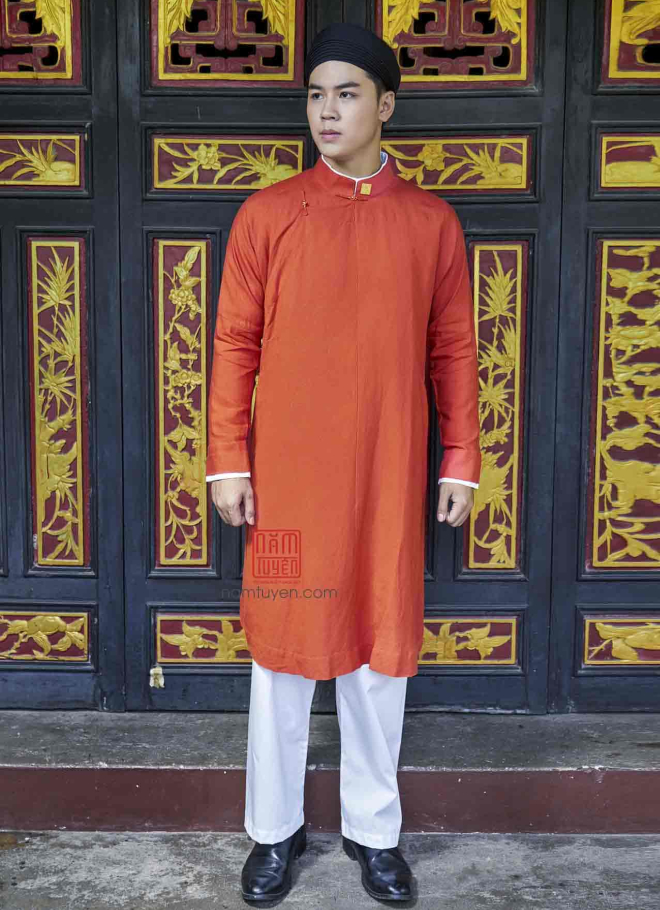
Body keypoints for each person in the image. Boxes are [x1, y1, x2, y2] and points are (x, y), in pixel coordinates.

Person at [206, 22, 481, 904]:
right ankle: (273, 831)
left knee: (377, 654)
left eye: (348, 94)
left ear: (385, 105)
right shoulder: (269, 215)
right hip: (288, 478)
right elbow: (234, 343)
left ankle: (375, 834)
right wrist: (228, 460)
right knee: (284, 656)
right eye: (317, 95)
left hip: (388, 475)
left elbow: (453, 348)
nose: (328, 111)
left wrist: (460, 459)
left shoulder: (430, 223)